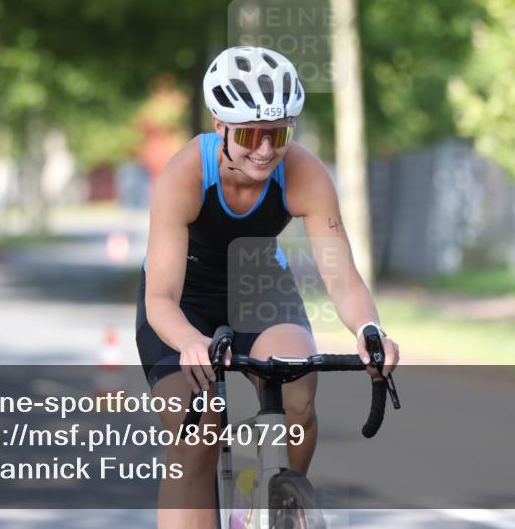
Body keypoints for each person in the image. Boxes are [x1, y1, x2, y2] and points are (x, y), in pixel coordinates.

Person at [135, 46, 400, 529]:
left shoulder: (303, 172)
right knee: (198, 433)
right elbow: (159, 299)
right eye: (250, 134)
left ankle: (274, 506)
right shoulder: (185, 174)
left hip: (258, 288)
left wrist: (368, 328)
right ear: (220, 125)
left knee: (298, 392)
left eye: (276, 133)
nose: (264, 149)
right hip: (183, 303)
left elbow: (342, 276)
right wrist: (192, 343)